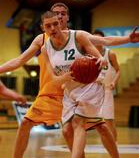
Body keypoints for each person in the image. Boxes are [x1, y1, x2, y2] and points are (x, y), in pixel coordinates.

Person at [0, 9, 139, 158]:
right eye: (56, 13)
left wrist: (127, 39)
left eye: (62, 13)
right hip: (50, 94)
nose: (59, 16)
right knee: (27, 124)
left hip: (76, 90)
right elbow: (19, 60)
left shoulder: (78, 36)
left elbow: (105, 41)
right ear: (44, 24)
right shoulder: (42, 42)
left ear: (65, 18)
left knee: (97, 128)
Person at [93, 29, 120, 142]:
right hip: (93, 91)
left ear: (103, 40)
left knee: (108, 120)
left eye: (99, 39)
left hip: (107, 90)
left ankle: (114, 144)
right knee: (85, 120)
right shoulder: (89, 54)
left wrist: (114, 82)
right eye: (94, 39)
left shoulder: (110, 54)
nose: (97, 41)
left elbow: (118, 70)